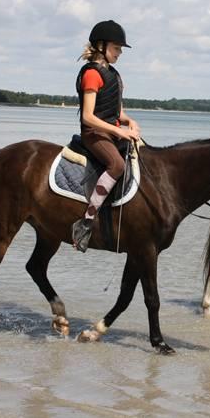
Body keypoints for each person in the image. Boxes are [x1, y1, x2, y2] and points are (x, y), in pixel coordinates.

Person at [71, 20, 141, 252]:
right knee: (117, 165)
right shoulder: (92, 74)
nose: (120, 53)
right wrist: (118, 130)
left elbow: (115, 112)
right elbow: (88, 117)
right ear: (101, 46)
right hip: (94, 134)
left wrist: (129, 121)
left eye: (120, 49)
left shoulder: (113, 74)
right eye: (117, 48)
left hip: (110, 131)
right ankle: (87, 221)